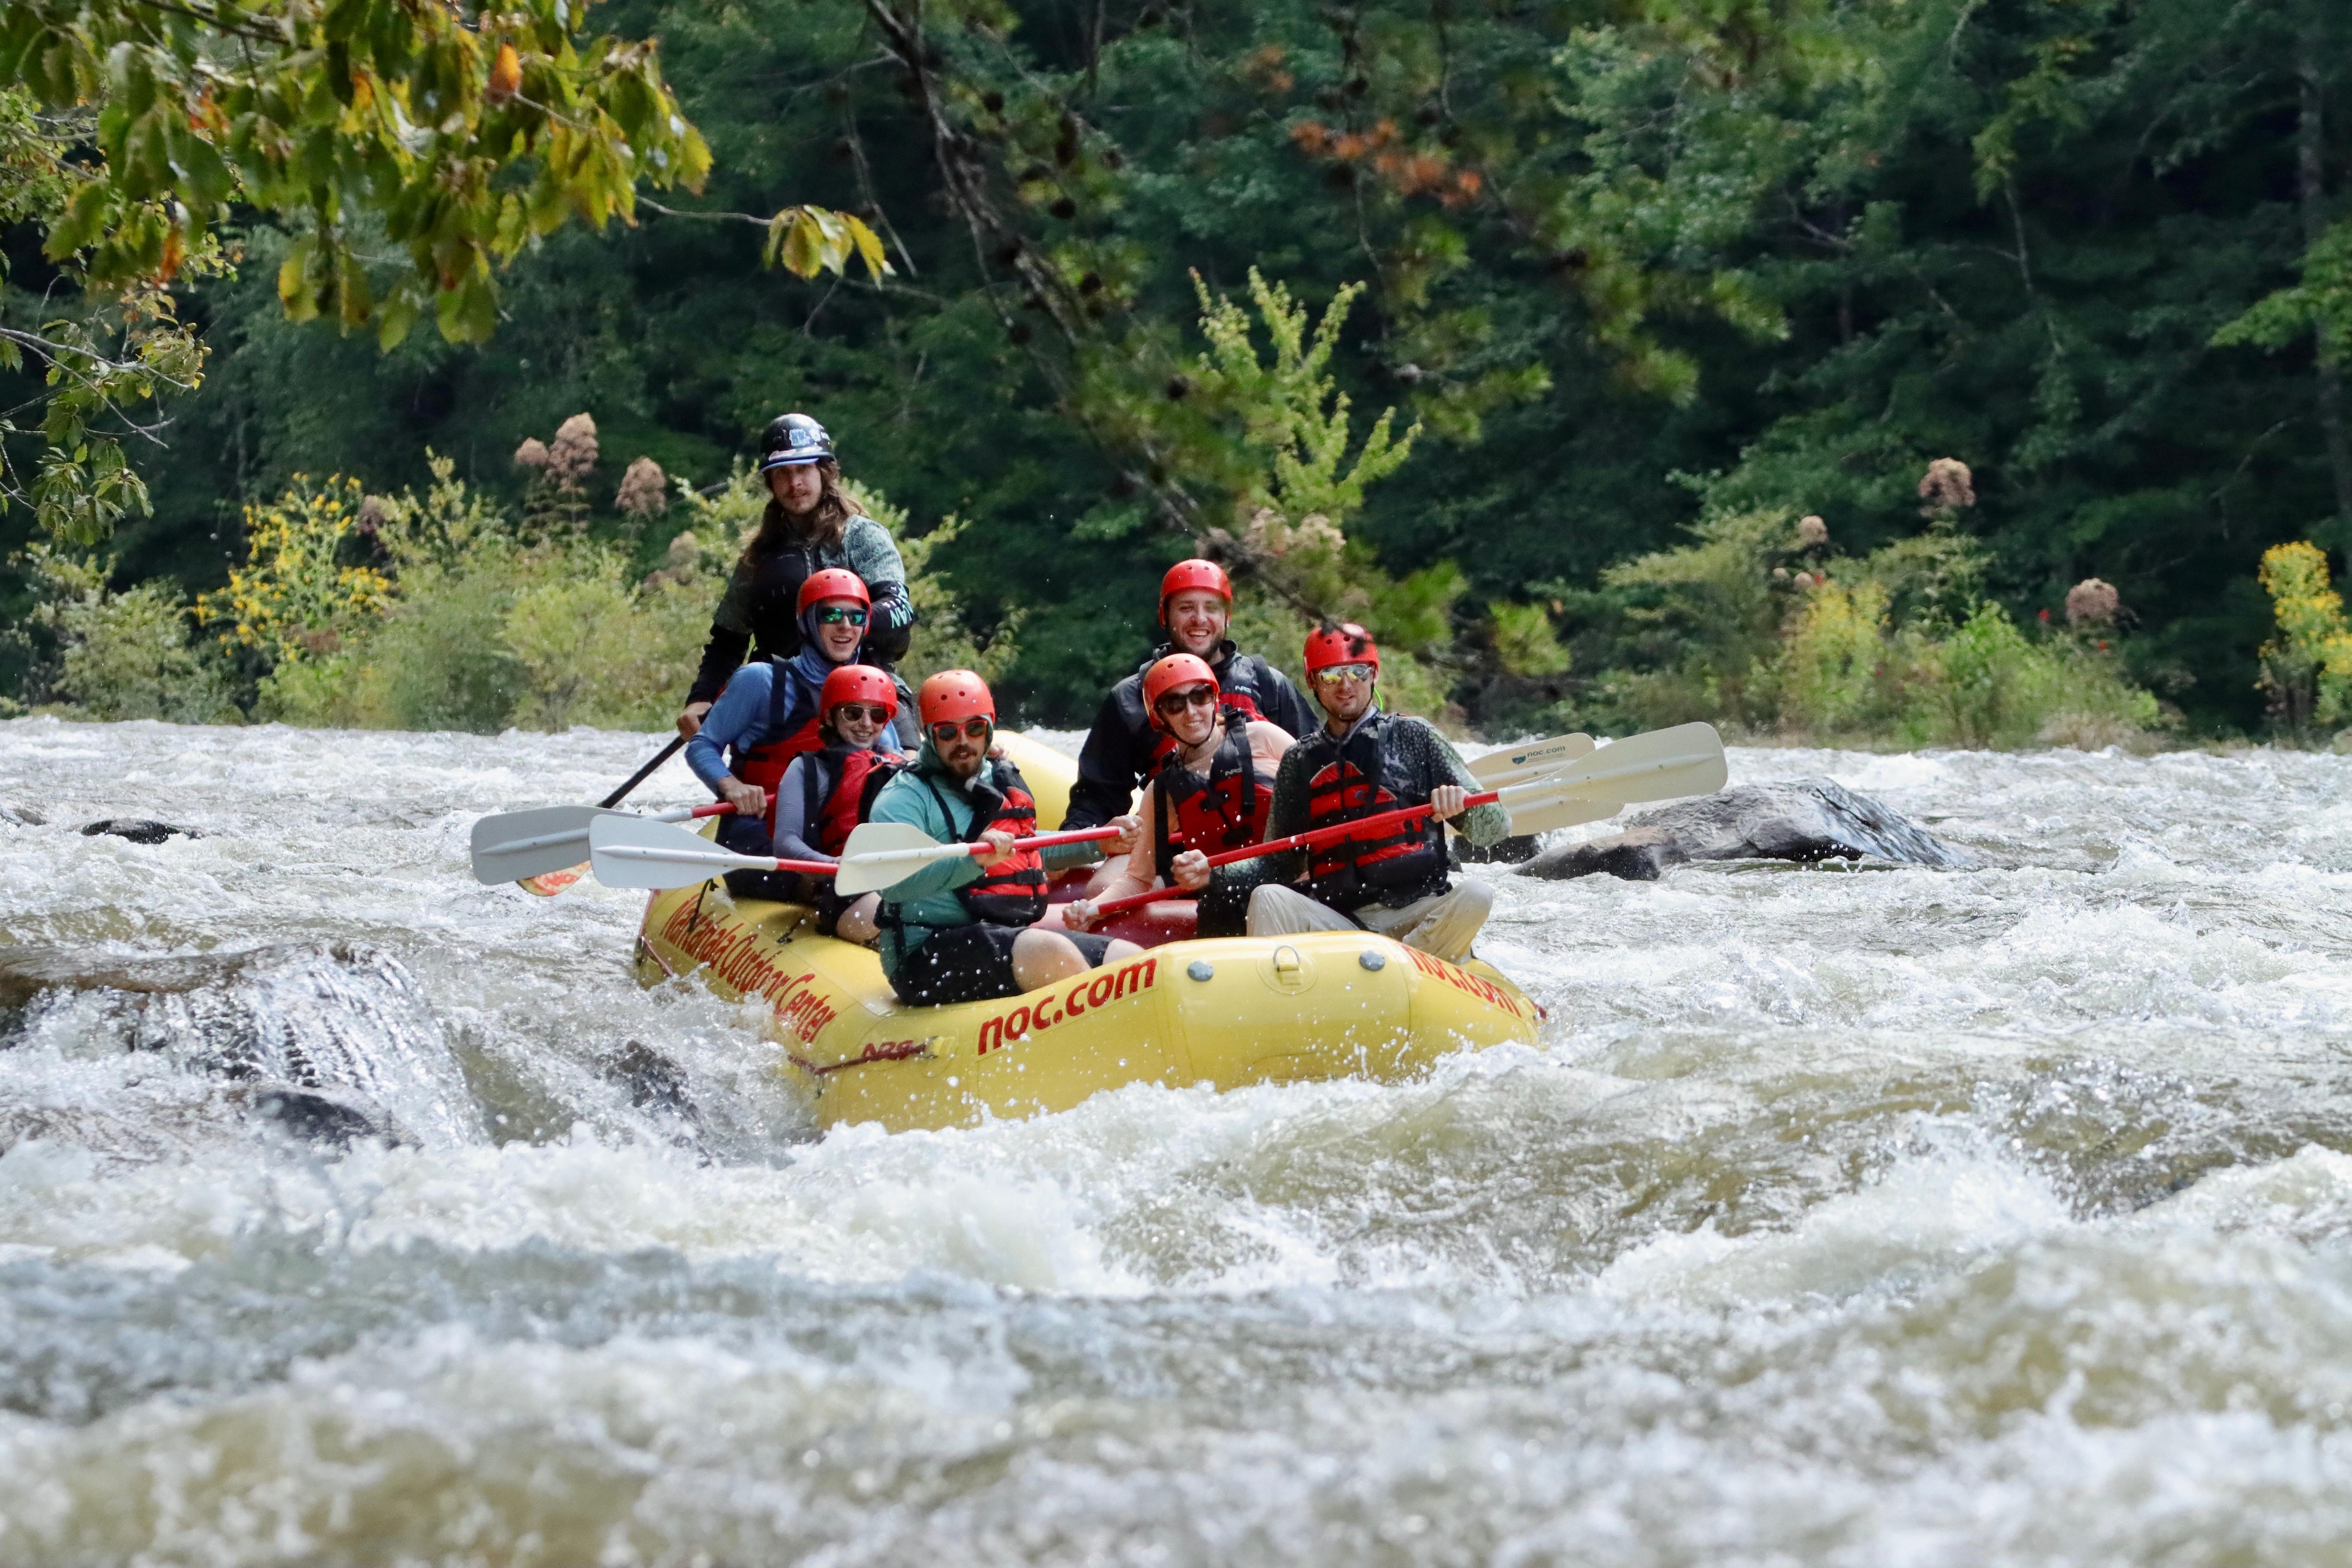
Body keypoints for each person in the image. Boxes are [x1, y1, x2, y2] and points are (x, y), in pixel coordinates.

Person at [1220, 623, 1508, 963]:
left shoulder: (1415, 737)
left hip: (1418, 911)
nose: (1346, 685)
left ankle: (1407, 965)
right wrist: (1213, 874)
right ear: (1312, 681)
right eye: (1330, 675)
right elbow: (1277, 865)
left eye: (1357, 672)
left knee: (1477, 895)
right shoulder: (1300, 761)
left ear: (1374, 674)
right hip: (1345, 924)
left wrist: (1464, 807)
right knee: (1268, 897)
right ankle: (1283, 999)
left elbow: (1496, 829)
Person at [868, 670, 1143, 1006]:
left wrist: (1097, 843)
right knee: (1049, 951)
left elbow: (1025, 847)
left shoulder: (995, 778)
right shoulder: (902, 799)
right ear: (928, 734)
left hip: (1000, 935)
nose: (963, 742)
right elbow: (892, 884)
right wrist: (972, 860)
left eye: (974, 728)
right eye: (948, 732)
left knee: (1128, 959)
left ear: (989, 727)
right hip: (924, 952)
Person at [676, 414, 914, 740]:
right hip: (779, 700)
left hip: (864, 691)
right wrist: (700, 698)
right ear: (771, 482)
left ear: (824, 471)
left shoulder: (862, 538)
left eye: (803, 469)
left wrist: (841, 622)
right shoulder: (758, 556)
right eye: (782, 474)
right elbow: (728, 640)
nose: (795, 484)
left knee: (908, 755)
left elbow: (901, 608)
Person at [1062, 559, 1317, 833]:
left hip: (1264, 844)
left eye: (1212, 608)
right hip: (1174, 855)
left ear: (1226, 617)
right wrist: (1080, 840)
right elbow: (1097, 799)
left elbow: (1317, 769)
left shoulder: (1268, 684)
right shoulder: (1132, 697)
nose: (1200, 619)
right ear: (1165, 616)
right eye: (1186, 608)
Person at [685, 569, 899, 896]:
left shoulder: (872, 693)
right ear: (808, 622)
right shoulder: (759, 681)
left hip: (833, 835)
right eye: (831, 614)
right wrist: (731, 786)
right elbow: (702, 745)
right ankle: (834, 896)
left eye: (856, 616)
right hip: (758, 830)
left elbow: (895, 766)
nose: (846, 626)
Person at [1062, 653, 1292, 939]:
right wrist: (1092, 909)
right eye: (1175, 703)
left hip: (1292, 884)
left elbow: (1318, 791)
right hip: (1225, 905)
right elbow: (1137, 878)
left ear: (1214, 700)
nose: (1191, 711)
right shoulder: (1163, 791)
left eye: (1200, 696)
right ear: (1159, 717)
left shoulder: (1264, 738)